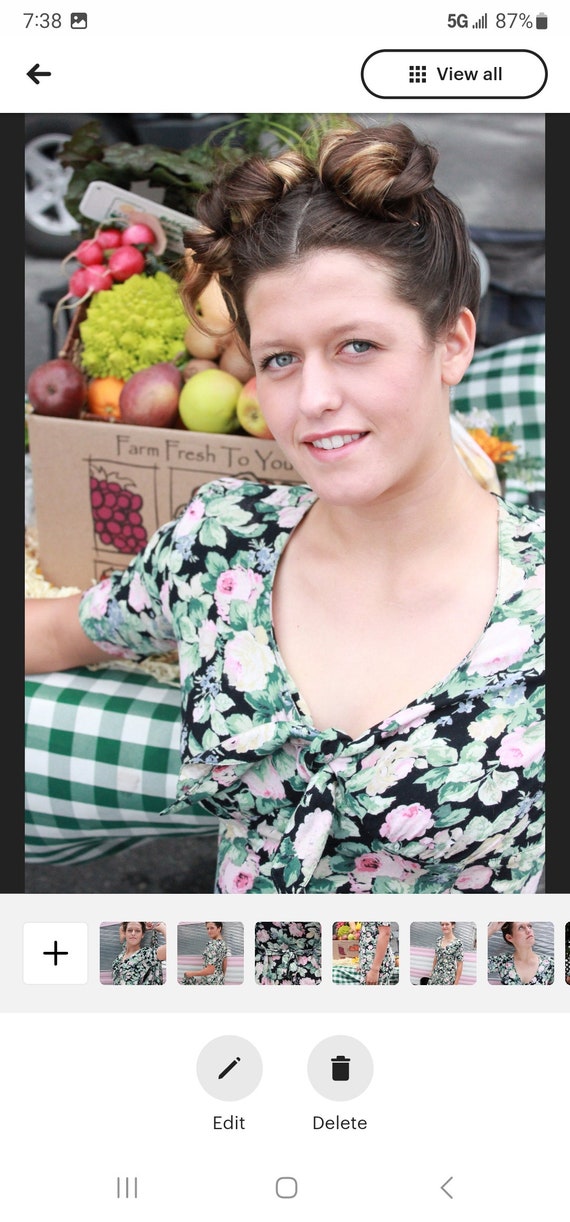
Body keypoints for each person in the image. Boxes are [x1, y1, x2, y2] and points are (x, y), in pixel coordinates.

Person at [25, 119, 545, 895]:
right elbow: (64, 630)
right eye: (279, 359)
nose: (313, 400)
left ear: (452, 343)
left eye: (357, 346)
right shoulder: (221, 540)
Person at [487, 921, 554, 985]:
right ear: (509, 937)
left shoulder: (549, 964)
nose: (528, 930)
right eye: (521, 928)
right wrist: (491, 929)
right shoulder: (502, 962)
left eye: (529, 926)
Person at [111, 920, 166, 985]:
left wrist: (163, 928)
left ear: (142, 935)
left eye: (137, 931)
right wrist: (141, 926)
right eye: (130, 930)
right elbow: (122, 929)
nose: (133, 933)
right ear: (125, 933)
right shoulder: (121, 955)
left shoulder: (146, 955)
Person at [425, 921, 464, 986]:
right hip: (436, 974)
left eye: (447, 924)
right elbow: (436, 956)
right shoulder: (439, 940)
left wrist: (456, 983)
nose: (444, 927)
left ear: (453, 925)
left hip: (448, 977)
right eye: (442, 924)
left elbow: (460, 964)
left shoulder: (458, 943)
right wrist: (432, 971)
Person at [358, 921, 395, 986]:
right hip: (370, 963)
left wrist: (375, 970)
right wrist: (362, 961)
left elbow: (385, 934)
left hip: (376, 964)